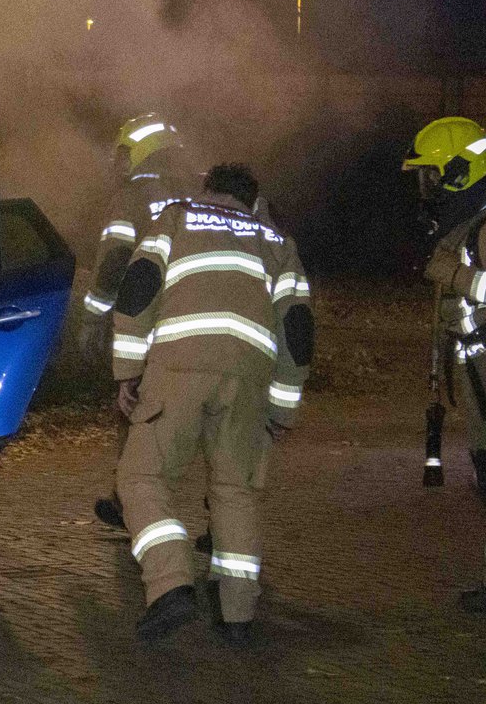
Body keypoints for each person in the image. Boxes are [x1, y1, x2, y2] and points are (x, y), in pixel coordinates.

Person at [111, 163, 312, 644]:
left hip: (179, 366)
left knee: (140, 477)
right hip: (249, 377)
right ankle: (238, 617)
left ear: (208, 190)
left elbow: (138, 291)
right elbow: (298, 329)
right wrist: (281, 409)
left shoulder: (177, 218)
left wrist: (127, 372)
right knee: (234, 490)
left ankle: (171, 584)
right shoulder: (277, 242)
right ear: (252, 198)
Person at [80, 113, 193, 529]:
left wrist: (92, 318)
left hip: (146, 322)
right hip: (195, 320)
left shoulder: (132, 197)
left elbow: (113, 262)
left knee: (133, 409)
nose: (118, 165)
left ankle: (131, 501)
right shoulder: (194, 193)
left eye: (124, 155)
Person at [405, 116, 486, 615]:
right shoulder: (471, 224)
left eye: (432, 174)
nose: (427, 188)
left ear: (460, 171)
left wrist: (456, 275)